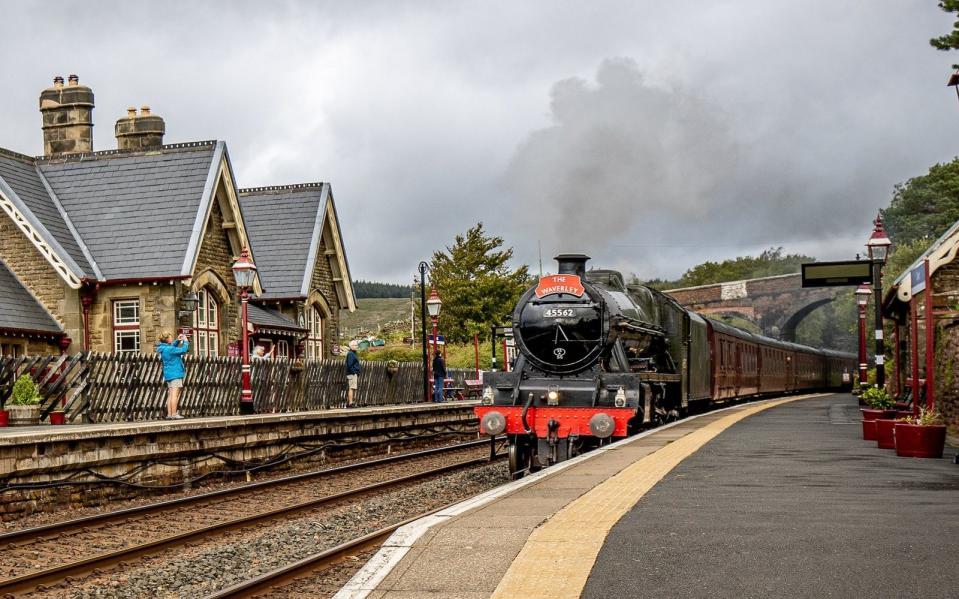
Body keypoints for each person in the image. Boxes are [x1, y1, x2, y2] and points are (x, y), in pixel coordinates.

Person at [157, 331, 189, 419]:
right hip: (176, 373)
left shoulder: (163, 348)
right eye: (170, 337)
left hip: (168, 373)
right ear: (167, 340)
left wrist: (177, 341)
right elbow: (183, 350)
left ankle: (170, 414)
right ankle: (174, 414)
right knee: (175, 395)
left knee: (170, 394)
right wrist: (185, 342)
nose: (172, 338)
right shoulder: (170, 349)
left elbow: (171, 348)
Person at [345, 340, 361, 407]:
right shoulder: (351, 354)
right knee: (351, 388)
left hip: (353, 373)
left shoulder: (353, 353)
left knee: (352, 388)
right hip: (352, 373)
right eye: (355, 345)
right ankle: (351, 403)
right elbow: (349, 365)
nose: (356, 346)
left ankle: (350, 403)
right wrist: (354, 372)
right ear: (351, 346)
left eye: (357, 345)